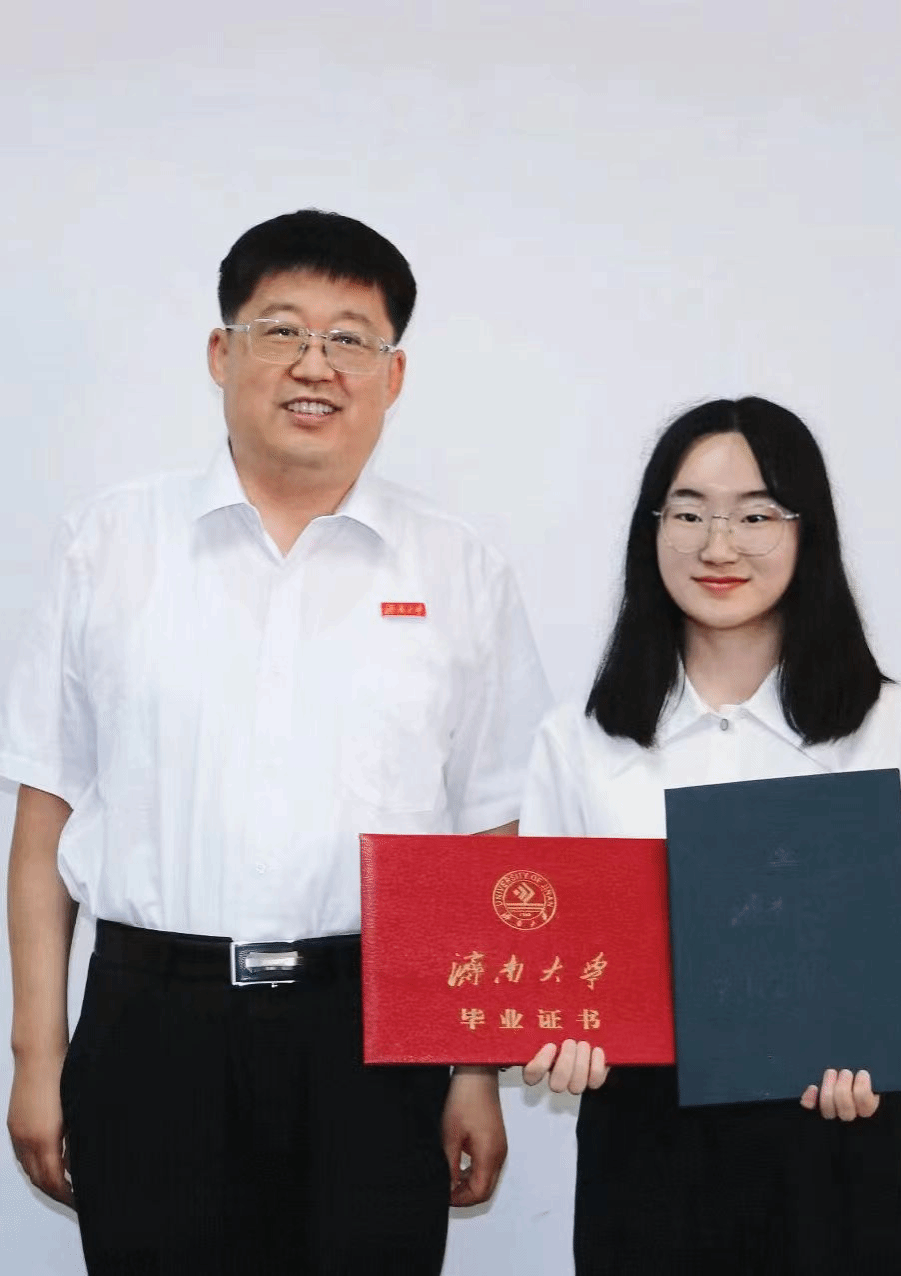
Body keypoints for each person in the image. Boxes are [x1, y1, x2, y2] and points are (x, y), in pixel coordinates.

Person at [2, 209, 550, 1275]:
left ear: (393, 375)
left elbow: (490, 832)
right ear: (222, 353)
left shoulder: (459, 570)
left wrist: (475, 1066)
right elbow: (44, 822)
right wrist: (36, 1053)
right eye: (282, 330)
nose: (315, 364)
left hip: (378, 1033)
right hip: (151, 1027)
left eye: (351, 338)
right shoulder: (110, 545)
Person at [520, 397, 901, 1274]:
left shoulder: (890, 724)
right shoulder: (579, 738)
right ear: (653, 530)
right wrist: (562, 1033)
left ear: (807, 531)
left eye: (756, 515)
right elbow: (550, 952)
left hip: (830, 1124)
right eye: (689, 514)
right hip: (643, 1140)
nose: (718, 546)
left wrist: (854, 1032)